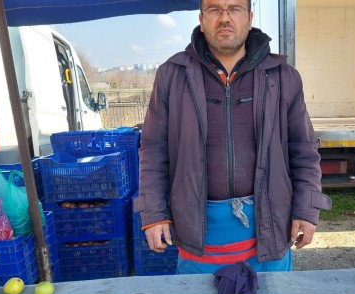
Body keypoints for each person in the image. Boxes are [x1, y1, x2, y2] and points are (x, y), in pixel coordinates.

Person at [133, 0, 332, 274]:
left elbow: (304, 150)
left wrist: (306, 209)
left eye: (234, 9)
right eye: (215, 9)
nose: (225, 18)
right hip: (197, 227)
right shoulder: (172, 75)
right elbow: (153, 150)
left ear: (249, 18)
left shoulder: (283, 77)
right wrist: (154, 214)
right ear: (202, 20)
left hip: (269, 225)